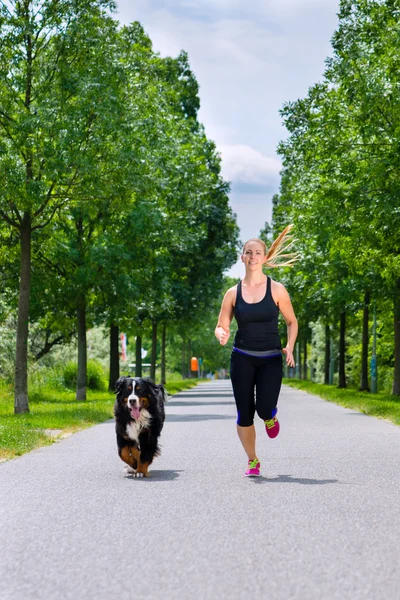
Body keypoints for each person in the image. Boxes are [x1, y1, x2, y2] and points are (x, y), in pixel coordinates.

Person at [215, 225, 298, 477]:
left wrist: (290, 348)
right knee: (244, 413)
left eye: (257, 252)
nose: (253, 256)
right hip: (241, 358)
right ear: (242, 257)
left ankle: (270, 416)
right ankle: (252, 460)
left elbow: (292, 322)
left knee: (263, 408)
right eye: (248, 252)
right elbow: (221, 325)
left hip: (271, 358)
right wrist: (221, 333)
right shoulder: (232, 293)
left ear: (264, 257)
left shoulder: (277, 290)